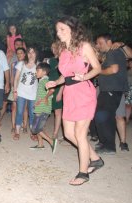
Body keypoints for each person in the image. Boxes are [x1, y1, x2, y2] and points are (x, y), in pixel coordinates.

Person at [46, 16, 102, 185]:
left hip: (84, 93)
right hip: (69, 94)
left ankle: (83, 173)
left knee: (80, 134)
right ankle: (95, 159)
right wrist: (55, 82)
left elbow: (98, 68)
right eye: (57, 30)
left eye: (62, 29)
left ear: (72, 30)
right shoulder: (63, 52)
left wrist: (84, 76)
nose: (58, 33)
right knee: (69, 134)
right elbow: (65, 74)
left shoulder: (84, 47)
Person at [94, 33, 129, 154]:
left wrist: (100, 71)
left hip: (112, 89)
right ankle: (105, 143)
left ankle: (109, 147)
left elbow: (114, 69)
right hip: (109, 89)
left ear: (109, 42)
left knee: (105, 117)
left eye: (100, 43)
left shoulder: (113, 52)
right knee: (102, 116)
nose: (98, 45)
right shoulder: (108, 54)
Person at [29, 63, 57, 153]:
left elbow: (52, 89)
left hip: (43, 109)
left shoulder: (45, 80)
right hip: (39, 108)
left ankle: (51, 141)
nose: (36, 72)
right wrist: (37, 103)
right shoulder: (41, 81)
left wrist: (45, 98)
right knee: (38, 128)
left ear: (44, 72)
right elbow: (42, 94)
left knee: (35, 129)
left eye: (38, 70)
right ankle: (40, 144)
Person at [13, 47, 39, 141]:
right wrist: (15, 91)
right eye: (29, 52)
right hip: (21, 92)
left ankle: (33, 133)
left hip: (33, 93)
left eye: (33, 52)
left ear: (36, 54)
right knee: (19, 112)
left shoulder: (39, 65)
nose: (31, 54)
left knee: (32, 114)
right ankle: (17, 132)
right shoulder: (21, 63)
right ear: (27, 54)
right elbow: (16, 78)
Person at [48, 42, 64, 140]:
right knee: (46, 109)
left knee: (58, 112)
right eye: (52, 48)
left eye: (56, 47)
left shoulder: (63, 60)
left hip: (59, 87)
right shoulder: (50, 60)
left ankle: (55, 133)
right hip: (50, 86)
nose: (54, 49)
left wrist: (60, 92)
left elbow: (65, 77)